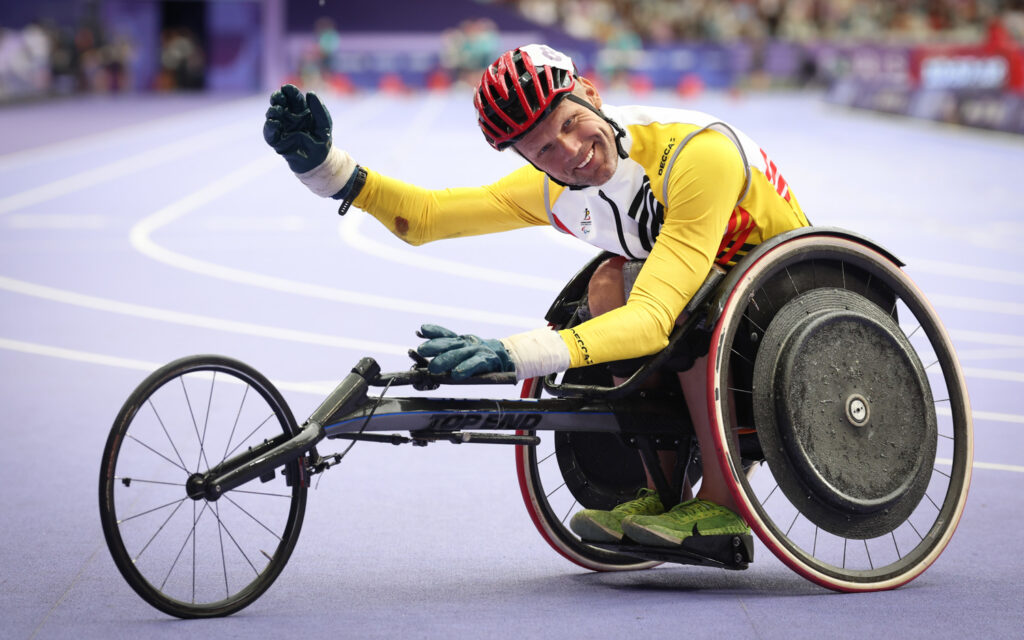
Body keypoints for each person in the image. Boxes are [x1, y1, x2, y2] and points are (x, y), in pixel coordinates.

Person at [263, 44, 809, 549]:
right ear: (526, 158)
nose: (571, 154)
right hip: (722, 300)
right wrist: (325, 169)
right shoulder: (552, 188)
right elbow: (428, 216)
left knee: (672, 303)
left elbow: (653, 319)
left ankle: (721, 503)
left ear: (591, 94)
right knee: (606, 285)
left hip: (792, 303)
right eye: (544, 148)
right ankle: (663, 496)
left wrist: (514, 354)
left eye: (572, 124)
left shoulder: (696, 154)